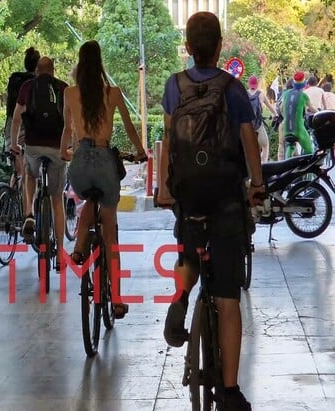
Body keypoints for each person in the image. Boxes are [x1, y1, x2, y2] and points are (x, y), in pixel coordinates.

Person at [158, 12, 265, 411]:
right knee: (227, 299)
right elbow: (249, 142)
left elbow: (168, 139)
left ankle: (181, 296)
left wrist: (164, 188)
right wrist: (257, 185)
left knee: (189, 253)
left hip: (188, 195)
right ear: (220, 47)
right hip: (225, 199)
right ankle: (230, 391)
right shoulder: (233, 89)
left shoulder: (174, 86)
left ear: (188, 47)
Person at [60, 40, 146, 319]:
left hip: (80, 163)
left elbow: (67, 130)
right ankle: (117, 300)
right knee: (110, 232)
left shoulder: (69, 93)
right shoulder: (113, 92)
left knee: (88, 198)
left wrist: (63, 151)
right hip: (105, 162)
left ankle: (79, 248)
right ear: (100, 64)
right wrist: (141, 152)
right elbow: (130, 127)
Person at [10, 57, 68, 265]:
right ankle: (60, 254)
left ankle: (29, 213)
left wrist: (14, 143)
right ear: (53, 70)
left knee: (30, 173)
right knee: (57, 199)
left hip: (33, 145)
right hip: (57, 148)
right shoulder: (63, 88)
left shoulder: (27, 86)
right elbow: (71, 122)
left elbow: (17, 118)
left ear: (36, 71)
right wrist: (70, 147)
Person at [4, 47, 40, 178]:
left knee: (17, 169)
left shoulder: (14, 79)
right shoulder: (37, 82)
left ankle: (14, 187)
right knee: (30, 169)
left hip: (11, 126)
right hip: (30, 125)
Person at [279, 72, 318, 158]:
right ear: (304, 84)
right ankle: (307, 166)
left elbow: (281, 108)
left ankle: (287, 164)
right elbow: (312, 108)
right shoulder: (303, 96)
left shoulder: (286, 94)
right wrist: (319, 112)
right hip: (298, 128)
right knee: (309, 150)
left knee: (290, 146)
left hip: (287, 128)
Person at [247, 75, 278, 162]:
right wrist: (275, 114)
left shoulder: (244, 94)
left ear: (249, 84)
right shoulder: (261, 94)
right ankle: (263, 164)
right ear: (257, 84)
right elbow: (270, 107)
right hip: (258, 126)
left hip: (247, 126)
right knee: (265, 145)